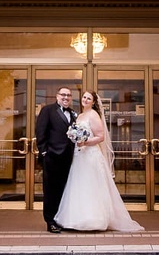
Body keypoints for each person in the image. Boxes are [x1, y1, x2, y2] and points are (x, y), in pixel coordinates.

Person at [53, 91, 144, 232]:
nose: (85, 99)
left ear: (94, 102)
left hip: (90, 155)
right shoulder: (80, 115)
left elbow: (100, 137)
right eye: (84, 97)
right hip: (79, 156)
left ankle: (94, 219)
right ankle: (75, 219)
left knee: (90, 185)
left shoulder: (94, 115)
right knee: (78, 185)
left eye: (89, 98)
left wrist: (85, 142)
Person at [35, 86, 77, 233]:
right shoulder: (47, 110)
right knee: (51, 190)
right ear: (57, 96)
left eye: (69, 95)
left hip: (69, 158)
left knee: (64, 190)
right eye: (63, 95)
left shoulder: (73, 113)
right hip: (52, 156)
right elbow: (41, 132)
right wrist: (45, 152)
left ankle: (61, 219)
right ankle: (50, 221)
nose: (66, 97)